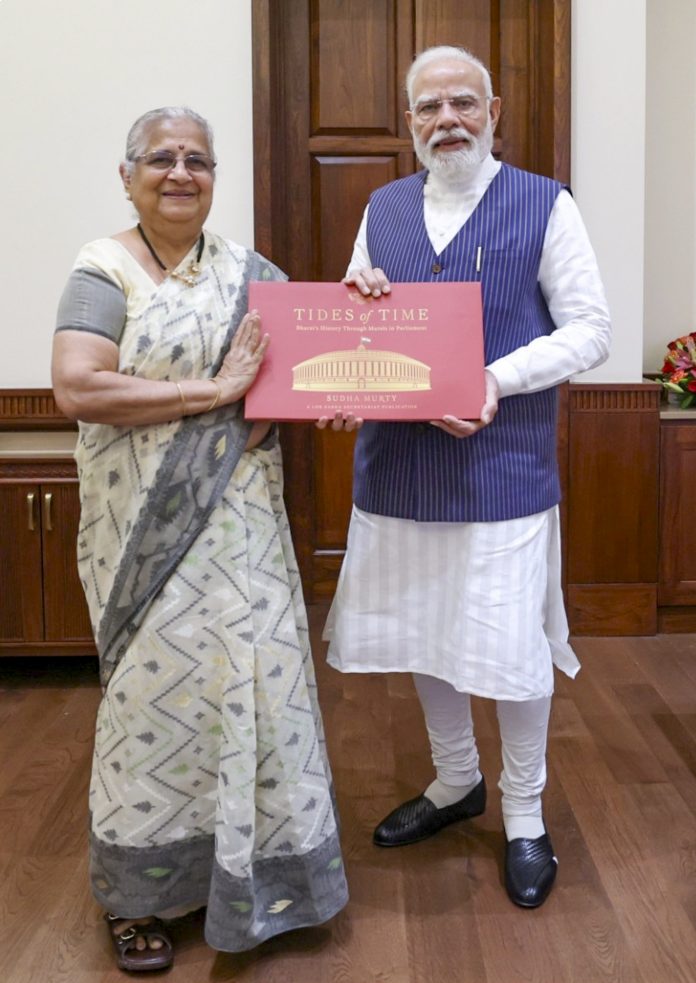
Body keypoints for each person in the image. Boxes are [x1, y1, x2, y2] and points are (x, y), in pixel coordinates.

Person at [51, 106, 348, 972]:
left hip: (245, 527)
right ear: (128, 173)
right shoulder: (102, 269)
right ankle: (138, 894)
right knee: (155, 705)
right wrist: (212, 393)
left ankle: (264, 874)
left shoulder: (256, 274)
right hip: (143, 533)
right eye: (161, 158)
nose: (180, 173)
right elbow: (78, 385)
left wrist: (335, 382)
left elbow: (289, 383)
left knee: (260, 684)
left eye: (198, 161)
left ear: (215, 175)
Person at [322, 46, 611, 909]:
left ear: (495, 112)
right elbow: (356, 315)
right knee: (425, 632)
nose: (446, 119)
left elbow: (591, 329)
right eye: (427, 108)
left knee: (512, 651)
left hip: (504, 472)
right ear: (408, 124)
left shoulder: (545, 205)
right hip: (400, 469)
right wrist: (355, 304)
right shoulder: (382, 207)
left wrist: (494, 378)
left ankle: (524, 813)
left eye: (462, 103)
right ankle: (457, 782)